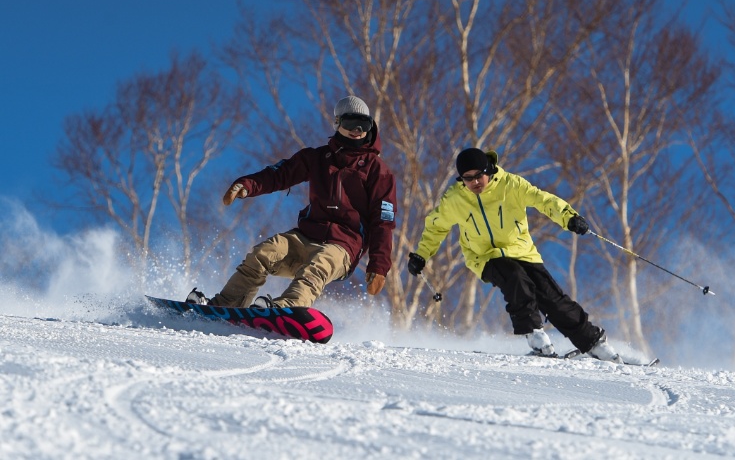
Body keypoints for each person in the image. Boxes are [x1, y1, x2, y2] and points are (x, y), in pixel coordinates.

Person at [407, 147, 620, 362]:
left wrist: (568, 217)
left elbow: (543, 200)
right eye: (467, 179)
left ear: (488, 170)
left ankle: (594, 343)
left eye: (478, 176)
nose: (475, 183)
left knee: (552, 298)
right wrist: (421, 255)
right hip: (484, 257)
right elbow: (436, 227)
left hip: (523, 252)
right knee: (514, 277)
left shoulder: (511, 185)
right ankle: (535, 335)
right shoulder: (455, 198)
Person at [188, 95, 397, 309]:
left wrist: (379, 265)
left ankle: (286, 309)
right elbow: (280, 174)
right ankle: (224, 307)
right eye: (351, 122)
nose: (357, 129)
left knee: (317, 266)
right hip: (306, 236)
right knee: (263, 253)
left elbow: (383, 222)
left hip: (344, 246)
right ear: (337, 123)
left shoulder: (377, 170)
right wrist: (247, 185)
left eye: (364, 124)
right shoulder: (317, 158)